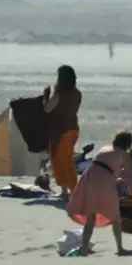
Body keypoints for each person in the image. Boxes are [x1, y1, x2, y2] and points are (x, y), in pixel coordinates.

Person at [65, 130, 132, 256]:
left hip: (89, 177)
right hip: (104, 181)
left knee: (90, 217)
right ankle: (120, 249)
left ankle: (84, 249)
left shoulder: (105, 148)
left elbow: (104, 166)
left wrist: (116, 179)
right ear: (128, 144)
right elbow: (128, 179)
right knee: (115, 216)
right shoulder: (124, 155)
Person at [42, 65, 83, 199]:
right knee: (69, 160)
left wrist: (45, 97)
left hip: (59, 131)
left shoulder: (59, 92)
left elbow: (47, 110)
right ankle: (73, 189)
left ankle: (65, 191)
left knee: (57, 161)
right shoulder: (77, 93)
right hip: (73, 129)